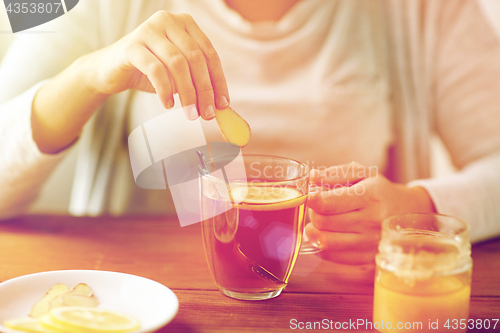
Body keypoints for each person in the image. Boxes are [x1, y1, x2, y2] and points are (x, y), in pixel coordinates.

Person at [1, 0, 499, 268]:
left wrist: (419, 209)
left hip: (340, 305)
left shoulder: (426, 8)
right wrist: (89, 75)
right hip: (140, 301)